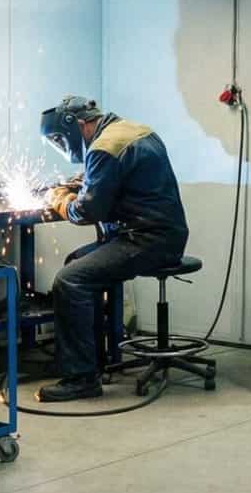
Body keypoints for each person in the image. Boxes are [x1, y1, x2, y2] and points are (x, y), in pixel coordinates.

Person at [36, 95, 190, 402]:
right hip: (162, 235)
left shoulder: (104, 148)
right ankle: (95, 360)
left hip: (147, 241)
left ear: (76, 126)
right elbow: (113, 178)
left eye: (58, 139)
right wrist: (77, 182)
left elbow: (87, 212)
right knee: (76, 263)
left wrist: (58, 199)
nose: (61, 145)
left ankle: (81, 379)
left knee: (71, 279)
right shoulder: (130, 131)